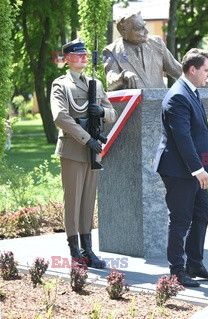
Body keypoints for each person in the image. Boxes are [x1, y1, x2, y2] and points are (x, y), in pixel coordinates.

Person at [154, 48, 208, 287]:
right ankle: (176, 270)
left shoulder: (192, 91)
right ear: (192, 70)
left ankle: (194, 263)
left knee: (202, 212)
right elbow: (182, 137)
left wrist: (207, 159)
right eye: (206, 70)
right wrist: (197, 168)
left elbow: (198, 133)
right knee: (181, 219)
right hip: (178, 170)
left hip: (194, 167)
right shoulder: (177, 96)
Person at [50, 38, 118, 268]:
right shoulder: (61, 85)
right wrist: (86, 138)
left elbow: (112, 113)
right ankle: (74, 250)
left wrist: (101, 112)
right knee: (74, 201)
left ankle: (88, 248)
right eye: (78, 55)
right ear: (68, 58)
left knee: (88, 201)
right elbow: (60, 117)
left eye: (85, 54)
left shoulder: (95, 85)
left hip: (93, 152)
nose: (84, 58)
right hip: (73, 149)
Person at [103, 12, 182, 91]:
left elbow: (177, 69)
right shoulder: (111, 51)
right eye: (139, 28)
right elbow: (110, 83)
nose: (146, 31)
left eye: (144, 26)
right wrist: (122, 76)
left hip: (160, 100)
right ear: (124, 32)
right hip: (133, 102)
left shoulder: (157, 43)